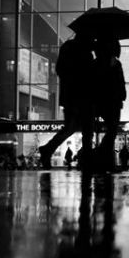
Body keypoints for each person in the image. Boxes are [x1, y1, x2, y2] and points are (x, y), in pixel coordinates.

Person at [38, 33, 95, 168]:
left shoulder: (70, 48)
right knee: (84, 128)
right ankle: (85, 160)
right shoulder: (80, 51)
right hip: (78, 96)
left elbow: (60, 70)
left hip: (73, 96)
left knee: (73, 128)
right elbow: (83, 74)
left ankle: (48, 149)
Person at [91, 37, 126, 171]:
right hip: (111, 101)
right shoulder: (114, 64)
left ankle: (105, 159)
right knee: (112, 130)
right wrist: (122, 95)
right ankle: (103, 157)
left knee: (111, 130)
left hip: (105, 101)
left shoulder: (97, 63)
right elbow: (120, 82)